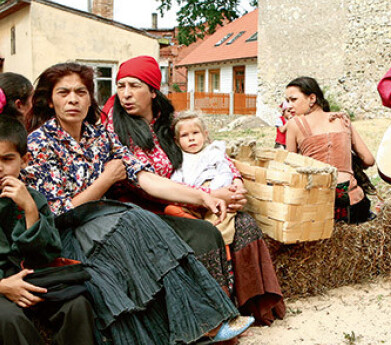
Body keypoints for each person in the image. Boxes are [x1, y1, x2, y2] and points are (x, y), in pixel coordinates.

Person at [23, 62, 253, 345]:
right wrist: (104, 181)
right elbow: (56, 213)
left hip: (107, 223)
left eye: (81, 92)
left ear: (91, 99)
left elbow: (144, 177)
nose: (73, 100)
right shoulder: (41, 142)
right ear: (51, 100)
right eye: (64, 93)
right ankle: (179, 343)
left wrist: (201, 195)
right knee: (136, 225)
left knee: (142, 232)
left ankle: (199, 330)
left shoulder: (99, 133)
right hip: (71, 233)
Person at [104, 55, 284, 326]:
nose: (125, 94)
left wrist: (233, 183)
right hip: (149, 208)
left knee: (245, 224)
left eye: (134, 86)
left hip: (194, 195)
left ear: (153, 91)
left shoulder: (174, 122)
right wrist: (208, 196)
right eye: (121, 86)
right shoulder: (115, 130)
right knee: (206, 233)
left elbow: (209, 152)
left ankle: (250, 306)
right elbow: (147, 185)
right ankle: (217, 319)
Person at [0, 111, 104, 345]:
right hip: (1, 287)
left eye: (7, 159)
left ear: (24, 160)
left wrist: (30, 211)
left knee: (76, 302)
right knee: (9, 320)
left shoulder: (31, 196)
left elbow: (47, 254)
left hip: (31, 277)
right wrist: (2, 287)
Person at [285, 77, 375, 224]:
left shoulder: (294, 124)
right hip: (354, 204)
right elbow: (369, 160)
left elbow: (290, 170)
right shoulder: (342, 119)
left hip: (321, 207)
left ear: (312, 98)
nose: (288, 106)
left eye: (293, 100)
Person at [169, 110, 246, 244]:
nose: (191, 138)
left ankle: (223, 249)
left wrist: (214, 191)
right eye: (184, 135)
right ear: (177, 141)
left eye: (195, 133)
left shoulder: (213, 152)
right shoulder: (180, 158)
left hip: (216, 193)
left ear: (205, 135)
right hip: (192, 196)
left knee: (221, 220)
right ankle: (196, 227)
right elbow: (176, 180)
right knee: (174, 211)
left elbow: (225, 172)